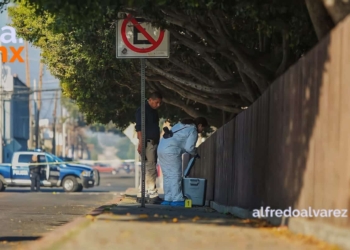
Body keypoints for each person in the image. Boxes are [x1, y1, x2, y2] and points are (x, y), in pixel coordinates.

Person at [157, 117, 208, 206]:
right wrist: (195, 153)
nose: (202, 130)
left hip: (161, 148)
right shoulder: (193, 130)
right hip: (171, 151)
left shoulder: (181, 125)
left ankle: (168, 199)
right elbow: (189, 148)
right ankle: (177, 199)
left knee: (167, 175)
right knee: (175, 175)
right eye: (202, 128)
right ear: (199, 125)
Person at [135, 91, 163, 204]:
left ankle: (141, 193)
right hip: (147, 142)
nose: (158, 105)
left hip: (154, 142)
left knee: (148, 168)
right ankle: (152, 193)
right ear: (150, 100)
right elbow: (139, 129)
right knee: (150, 168)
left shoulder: (154, 111)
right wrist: (141, 144)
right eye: (156, 102)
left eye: (160, 103)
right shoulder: (142, 110)